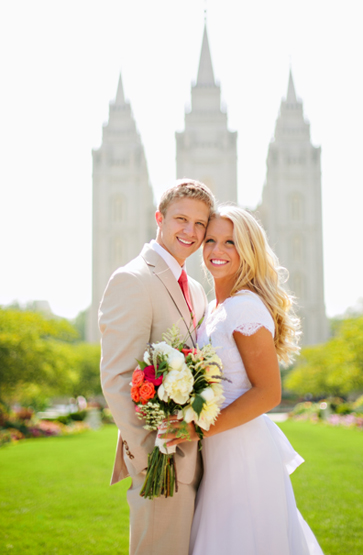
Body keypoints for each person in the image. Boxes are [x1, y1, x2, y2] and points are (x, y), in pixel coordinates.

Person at [165, 205, 323, 554]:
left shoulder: (244, 307)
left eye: (230, 242)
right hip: (220, 453)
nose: (217, 250)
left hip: (244, 454)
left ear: (248, 249)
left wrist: (198, 429)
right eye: (210, 240)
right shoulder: (215, 309)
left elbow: (268, 393)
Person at [99, 179, 216, 554]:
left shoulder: (195, 288)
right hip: (162, 463)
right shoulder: (132, 279)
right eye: (181, 219)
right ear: (159, 219)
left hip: (199, 457)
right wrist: (152, 455)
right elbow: (117, 377)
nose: (190, 231)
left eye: (200, 224)